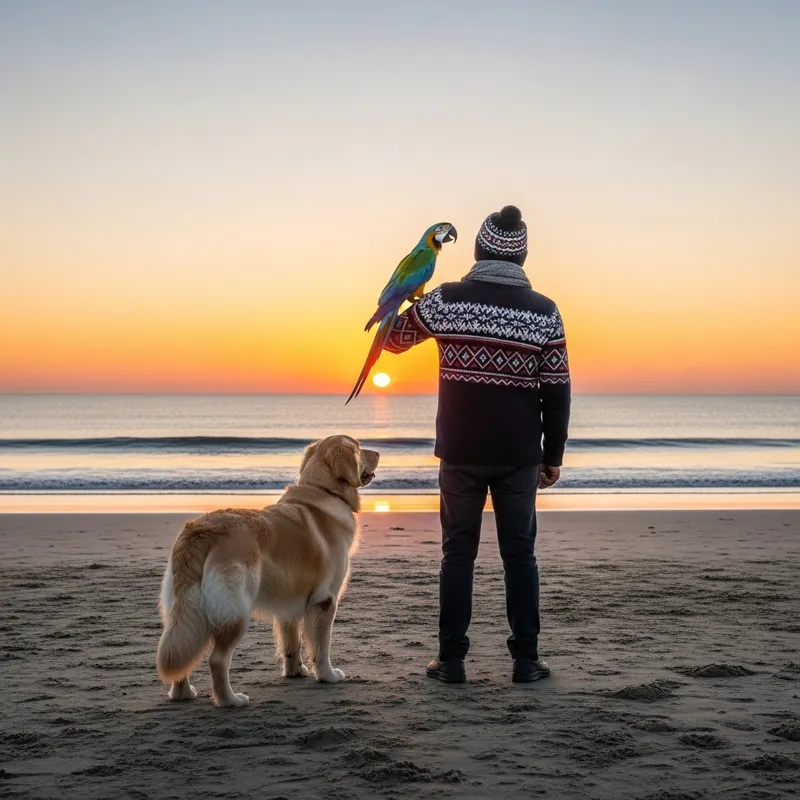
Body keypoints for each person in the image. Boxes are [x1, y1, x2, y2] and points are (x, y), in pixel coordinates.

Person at [385, 205, 571, 683]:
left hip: (461, 454)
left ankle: (451, 662)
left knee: (457, 555)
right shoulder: (545, 312)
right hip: (519, 457)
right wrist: (553, 458)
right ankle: (526, 662)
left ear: (477, 250)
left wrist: (397, 296)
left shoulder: (448, 299)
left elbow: (393, 341)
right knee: (520, 556)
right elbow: (557, 389)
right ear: (523, 255)